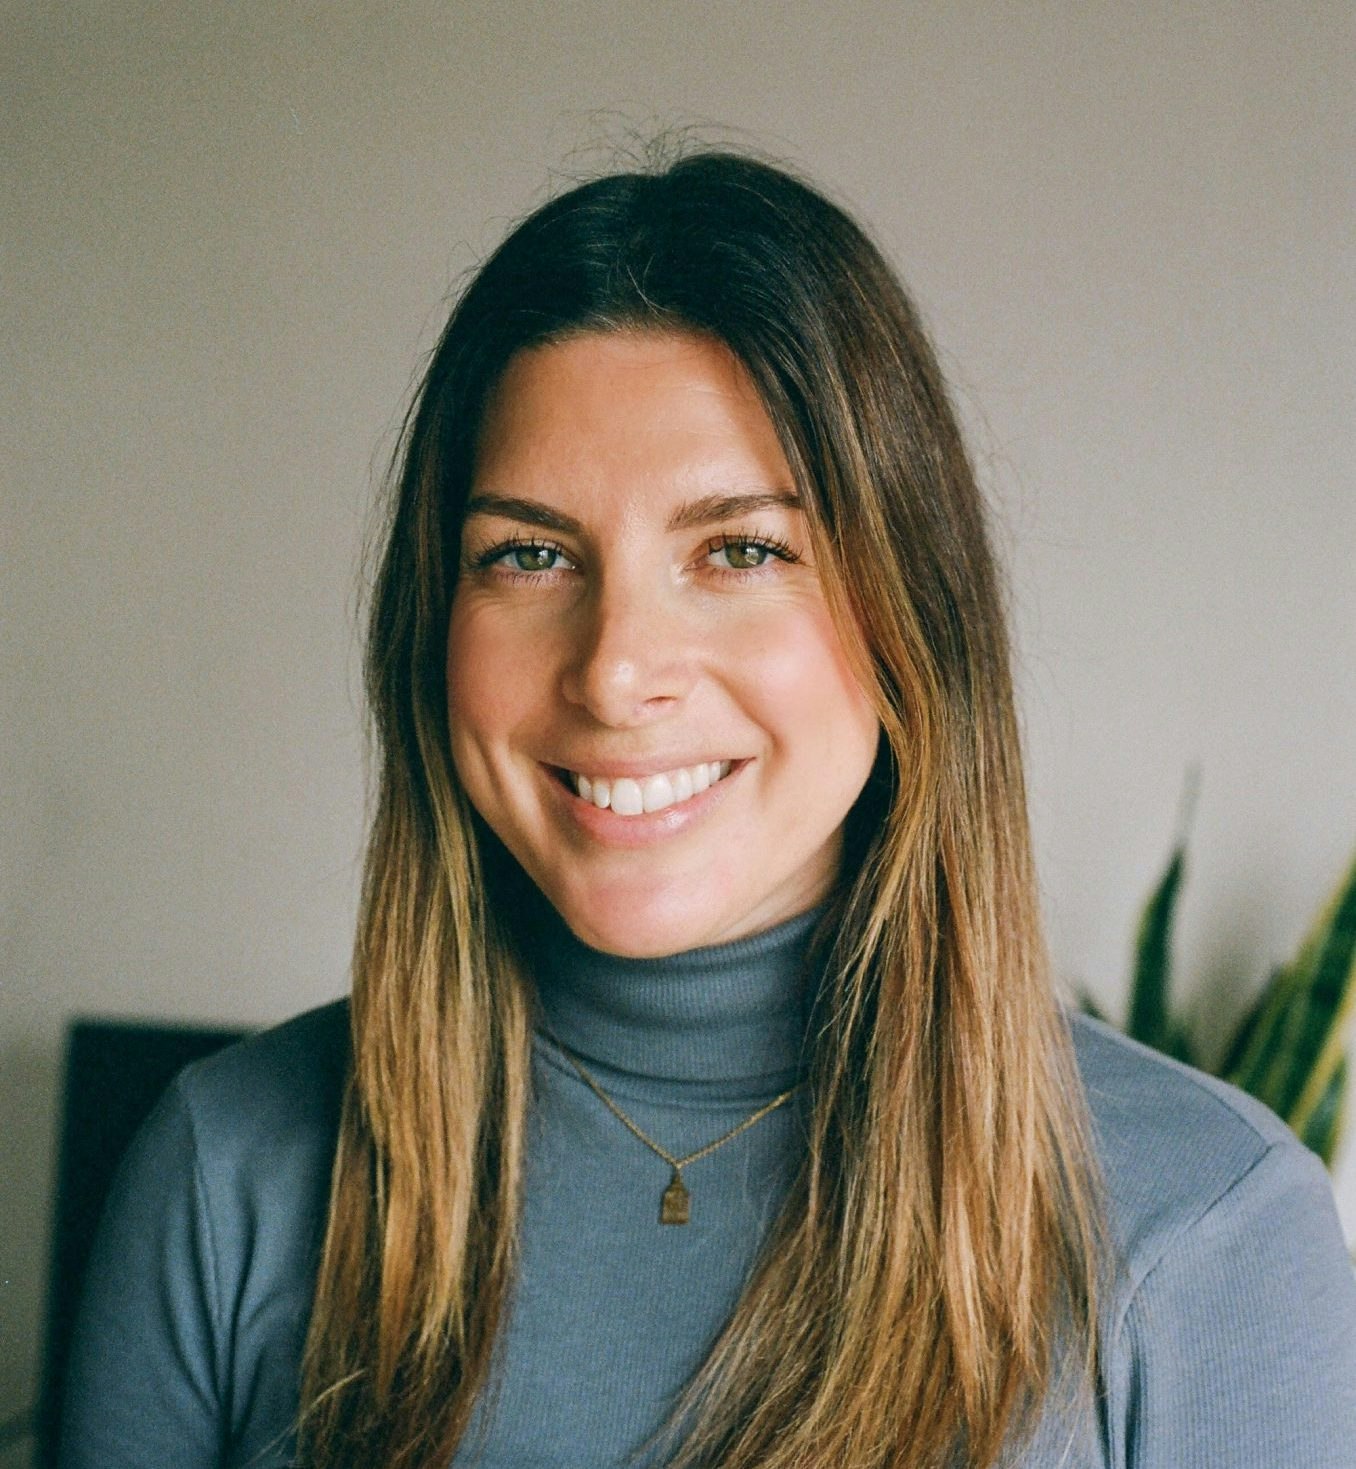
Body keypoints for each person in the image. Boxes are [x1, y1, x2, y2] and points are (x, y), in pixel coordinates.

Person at [60, 149, 1356, 1469]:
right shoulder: (224, 1175)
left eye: (739, 550)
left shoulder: (1210, 1229)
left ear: (908, 613)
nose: (617, 669)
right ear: (430, 625)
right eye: (529, 554)